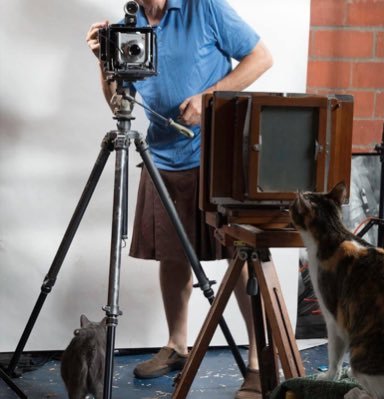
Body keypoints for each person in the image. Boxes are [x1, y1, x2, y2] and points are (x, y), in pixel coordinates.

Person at [86, 1, 273, 397]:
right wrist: (104, 63)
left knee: (238, 256)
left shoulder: (204, 8)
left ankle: (258, 362)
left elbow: (261, 57)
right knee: (172, 254)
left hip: (217, 152)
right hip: (162, 156)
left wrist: (209, 97)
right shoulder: (127, 27)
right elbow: (121, 106)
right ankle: (177, 345)